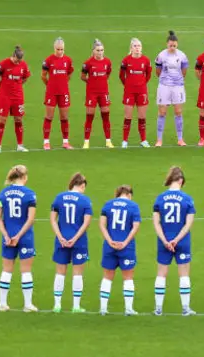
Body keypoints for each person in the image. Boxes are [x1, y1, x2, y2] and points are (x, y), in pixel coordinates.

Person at [152, 166, 196, 316]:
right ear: (181, 180)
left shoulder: (160, 198)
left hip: (164, 240)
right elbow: (188, 223)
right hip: (182, 241)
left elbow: (156, 222)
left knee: (161, 274)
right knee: (184, 274)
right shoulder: (187, 199)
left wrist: (165, 240)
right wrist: (177, 239)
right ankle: (185, 308)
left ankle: (158, 309)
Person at [0, 165, 37, 312]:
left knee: (6, 270)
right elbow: (31, 218)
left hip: (7, 236)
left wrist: (6, 234)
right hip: (24, 237)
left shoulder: (3, 193)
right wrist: (18, 236)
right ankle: (27, 304)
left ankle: (2, 303)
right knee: (26, 270)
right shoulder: (30, 194)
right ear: (24, 177)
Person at [50, 173, 92, 313]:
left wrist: (60, 237)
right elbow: (86, 223)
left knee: (60, 272)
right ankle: (76, 306)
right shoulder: (85, 200)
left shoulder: (59, 197)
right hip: (78, 241)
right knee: (77, 273)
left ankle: (57, 305)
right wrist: (74, 238)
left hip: (61, 240)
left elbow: (52, 220)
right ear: (81, 185)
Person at [99, 185, 142, 315]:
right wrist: (125, 242)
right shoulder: (133, 206)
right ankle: (128, 309)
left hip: (109, 246)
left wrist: (109, 240)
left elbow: (101, 224)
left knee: (107, 277)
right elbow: (135, 227)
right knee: (128, 277)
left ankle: (103, 308)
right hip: (126, 247)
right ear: (129, 195)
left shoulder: (107, 205)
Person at [155, 31, 189, 147]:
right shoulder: (161, 55)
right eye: (170, 45)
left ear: (177, 44)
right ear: (167, 44)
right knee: (162, 112)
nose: (172, 47)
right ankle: (159, 140)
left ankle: (180, 139)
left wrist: (176, 80)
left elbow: (184, 71)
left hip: (178, 86)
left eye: (174, 45)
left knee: (178, 111)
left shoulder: (182, 56)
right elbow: (158, 71)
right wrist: (166, 80)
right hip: (164, 86)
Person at [0, 46, 31, 153]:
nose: (18, 62)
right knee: (2, 120)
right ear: (13, 55)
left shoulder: (23, 65)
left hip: (18, 96)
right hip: (4, 96)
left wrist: (18, 85)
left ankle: (20, 145)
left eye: (20, 60)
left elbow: (26, 77)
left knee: (18, 119)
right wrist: (3, 87)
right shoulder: (3, 64)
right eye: (16, 60)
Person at [42, 37, 74, 150]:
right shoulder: (48, 60)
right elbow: (43, 76)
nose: (60, 51)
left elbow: (69, 74)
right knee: (49, 116)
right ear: (54, 48)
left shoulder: (68, 60)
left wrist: (63, 83)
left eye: (62, 49)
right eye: (58, 49)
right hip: (51, 92)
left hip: (63, 92)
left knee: (64, 117)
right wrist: (50, 85)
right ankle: (46, 142)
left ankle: (65, 142)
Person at [119, 38, 152, 148]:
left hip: (142, 91)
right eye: (135, 46)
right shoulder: (126, 60)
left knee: (142, 117)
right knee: (128, 116)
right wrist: (128, 85)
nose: (137, 48)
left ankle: (143, 140)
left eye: (139, 46)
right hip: (129, 92)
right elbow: (121, 76)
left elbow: (148, 75)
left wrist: (141, 84)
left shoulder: (146, 60)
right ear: (131, 48)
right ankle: (125, 141)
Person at [81, 39, 113, 149]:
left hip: (104, 92)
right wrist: (91, 82)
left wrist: (100, 81)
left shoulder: (107, 62)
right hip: (92, 93)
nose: (100, 52)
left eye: (102, 50)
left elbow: (107, 74)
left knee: (106, 115)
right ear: (93, 51)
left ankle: (108, 141)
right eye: (98, 50)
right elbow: (83, 76)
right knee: (90, 116)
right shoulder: (88, 63)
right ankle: (86, 142)